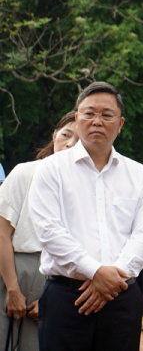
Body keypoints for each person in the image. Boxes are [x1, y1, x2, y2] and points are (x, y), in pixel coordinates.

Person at [29, 81, 143, 351]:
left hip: (121, 298)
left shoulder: (139, 175)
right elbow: (49, 231)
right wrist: (95, 271)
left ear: (120, 123)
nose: (97, 120)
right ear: (77, 119)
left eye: (106, 115)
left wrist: (110, 281)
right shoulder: (51, 170)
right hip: (67, 297)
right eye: (89, 113)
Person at [0, 111, 78, 350]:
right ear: (54, 135)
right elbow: (2, 233)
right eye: (66, 134)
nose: (70, 144)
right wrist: (12, 289)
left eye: (79, 140)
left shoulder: (86, 188)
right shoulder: (25, 172)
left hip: (57, 277)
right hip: (13, 268)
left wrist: (53, 298)